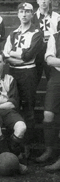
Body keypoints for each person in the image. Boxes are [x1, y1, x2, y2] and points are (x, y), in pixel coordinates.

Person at [3, 2, 43, 157]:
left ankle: (25, 145)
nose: (24, 14)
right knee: (13, 106)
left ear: (32, 14)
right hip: (13, 73)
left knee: (28, 110)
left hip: (28, 74)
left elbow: (29, 56)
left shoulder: (36, 33)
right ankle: (14, 145)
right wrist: (19, 57)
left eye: (27, 11)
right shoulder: (13, 34)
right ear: (18, 14)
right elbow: (6, 55)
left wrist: (16, 55)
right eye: (21, 11)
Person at [35, 30, 60, 171]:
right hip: (57, 76)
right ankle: (49, 150)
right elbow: (50, 60)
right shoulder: (54, 37)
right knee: (48, 115)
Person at [32, 0, 60, 83]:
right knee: (35, 78)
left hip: (52, 48)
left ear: (50, 0)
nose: (43, 1)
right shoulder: (32, 17)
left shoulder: (57, 17)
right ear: (37, 1)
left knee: (52, 78)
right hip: (38, 48)